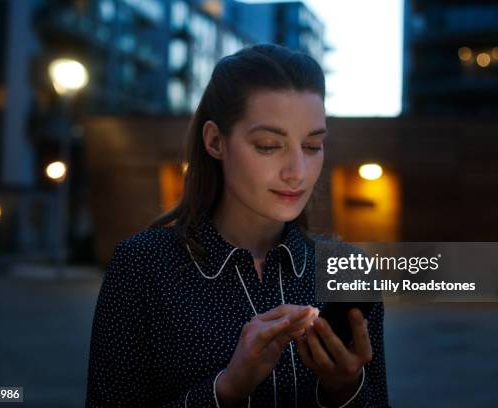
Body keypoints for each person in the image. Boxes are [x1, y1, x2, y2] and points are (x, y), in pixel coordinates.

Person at [85, 43, 390, 408]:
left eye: (312, 146)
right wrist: (225, 390)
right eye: (268, 145)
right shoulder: (143, 266)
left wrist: (345, 389)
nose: (297, 172)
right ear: (215, 141)